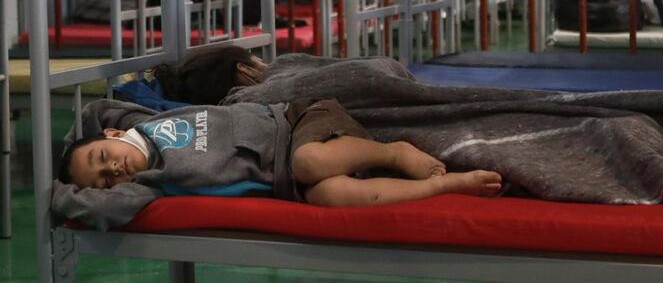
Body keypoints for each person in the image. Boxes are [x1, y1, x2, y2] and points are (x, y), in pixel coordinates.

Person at [54, 97, 502, 229]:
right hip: (289, 179)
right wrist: (52, 192)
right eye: (102, 180)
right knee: (329, 195)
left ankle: (393, 152)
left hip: (298, 120)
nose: (110, 170)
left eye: (100, 157)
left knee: (309, 162)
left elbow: (95, 107)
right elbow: (97, 207)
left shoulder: (140, 123)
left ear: (112, 136)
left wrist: (75, 140)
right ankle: (440, 187)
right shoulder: (151, 184)